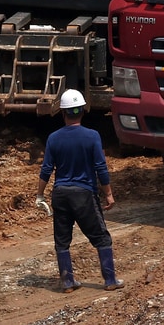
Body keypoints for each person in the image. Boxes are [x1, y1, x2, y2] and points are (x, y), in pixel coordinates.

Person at [34, 89, 122, 292]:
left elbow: (46, 169)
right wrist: (108, 193)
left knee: (62, 240)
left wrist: (39, 195)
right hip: (84, 195)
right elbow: (100, 167)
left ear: (63, 113)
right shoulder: (92, 136)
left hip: (60, 194)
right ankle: (110, 281)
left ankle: (67, 283)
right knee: (101, 237)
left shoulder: (53, 138)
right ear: (82, 111)